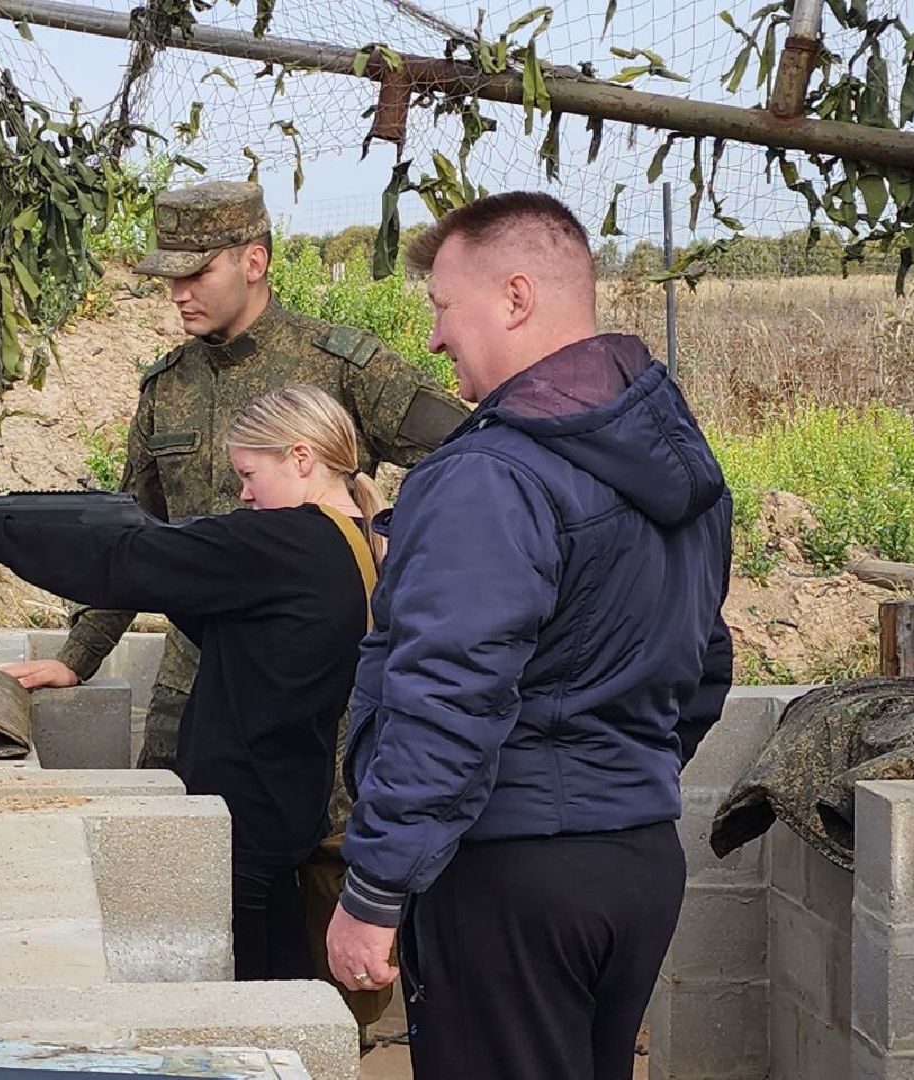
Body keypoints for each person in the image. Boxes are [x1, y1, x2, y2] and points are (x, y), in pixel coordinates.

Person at [324, 192, 734, 1080]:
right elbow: (706, 658)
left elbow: (450, 691)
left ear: (514, 297)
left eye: (441, 306)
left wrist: (375, 886)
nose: (433, 339)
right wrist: (618, 774)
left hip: (512, 876)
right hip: (635, 863)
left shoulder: (490, 476)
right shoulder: (677, 461)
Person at [0, 385, 387, 982]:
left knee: (243, 990)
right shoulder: (346, 544)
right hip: (289, 801)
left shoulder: (285, 542)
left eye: (250, 473)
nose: (243, 493)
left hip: (243, 813)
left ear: (301, 458)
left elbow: (126, 558)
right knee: (280, 973)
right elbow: (231, 624)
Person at [0, 179, 467, 774]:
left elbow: (469, 460)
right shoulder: (168, 387)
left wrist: (392, 558)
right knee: (173, 848)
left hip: (318, 685)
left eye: (196, 275)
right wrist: (80, 654)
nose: (178, 293)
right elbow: (131, 530)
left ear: (254, 261)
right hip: (193, 678)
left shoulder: (346, 366)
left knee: (319, 857)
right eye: (170, 278)